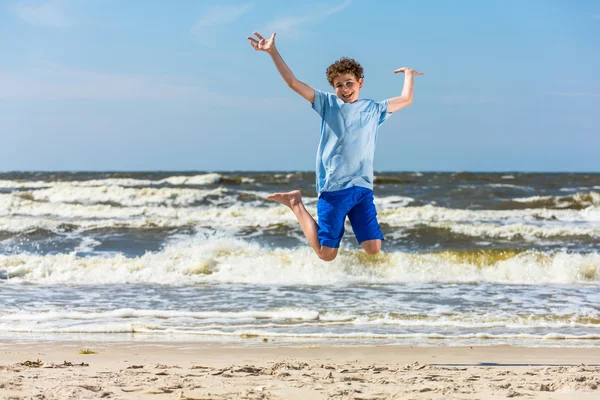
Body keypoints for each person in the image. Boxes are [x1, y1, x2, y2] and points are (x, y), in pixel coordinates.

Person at [248, 31, 422, 262]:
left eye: (349, 83)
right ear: (333, 87)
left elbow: (406, 99)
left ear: (360, 83)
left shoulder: (374, 109)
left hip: (362, 189)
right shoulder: (327, 103)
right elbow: (293, 82)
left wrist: (408, 74)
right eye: (339, 85)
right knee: (326, 254)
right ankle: (295, 203)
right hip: (333, 189)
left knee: (373, 247)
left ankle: (297, 203)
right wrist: (272, 51)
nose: (345, 89)